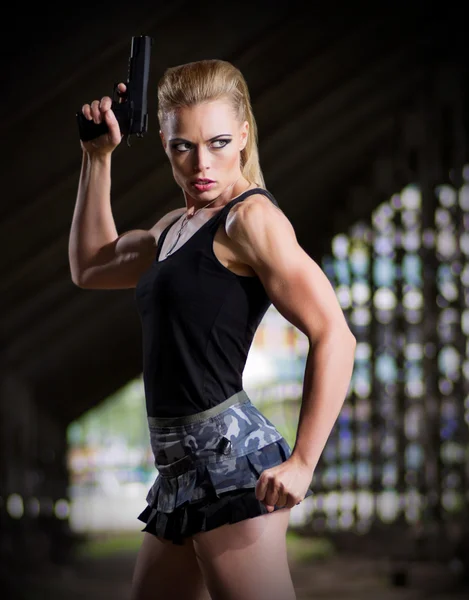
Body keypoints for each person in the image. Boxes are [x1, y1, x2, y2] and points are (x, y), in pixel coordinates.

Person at [69, 59, 356, 600]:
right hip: (180, 477)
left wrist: (302, 463)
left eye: (219, 142)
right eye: (184, 147)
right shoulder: (173, 228)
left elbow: (335, 334)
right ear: (163, 141)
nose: (202, 163)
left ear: (244, 133)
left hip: (232, 468)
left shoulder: (250, 221)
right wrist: (97, 157)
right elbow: (89, 266)